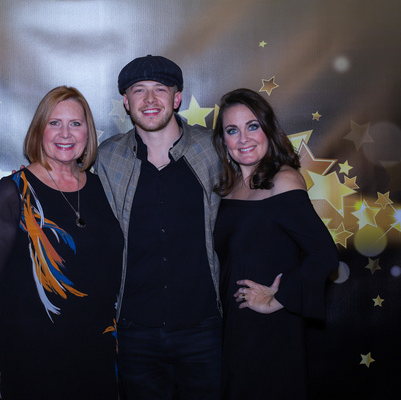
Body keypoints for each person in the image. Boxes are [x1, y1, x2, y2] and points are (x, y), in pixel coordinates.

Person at [0, 86, 123, 400]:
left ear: (87, 133)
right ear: (40, 129)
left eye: (76, 124)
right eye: (55, 123)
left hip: (98, 356)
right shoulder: (13, 193)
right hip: (31, 359)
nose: (65, 133)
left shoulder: (102, 188)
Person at [95, 55, 223, 399]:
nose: (150, 100)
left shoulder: (212, 150)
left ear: (176, 98)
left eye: (160, 90)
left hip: (203, 328)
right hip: (136, 333)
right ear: (126, 101)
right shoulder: (108, 158)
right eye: (139, 91)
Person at [212, 88, 339, 400]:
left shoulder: (282, 180)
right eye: (232, 130)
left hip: (267, 329)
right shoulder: (229, 189)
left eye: (252, 126)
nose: (243, 139)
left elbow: (323, 254)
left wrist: (278, 299)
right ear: (224, 141)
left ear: (268, 129)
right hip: (234, 324)